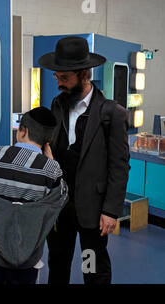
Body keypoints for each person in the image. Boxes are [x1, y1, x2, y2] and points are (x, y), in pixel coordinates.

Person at [38, 36, 130, 284]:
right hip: (60, 207)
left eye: (65, 78)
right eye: (57, 77)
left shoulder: (112, 113)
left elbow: (119, 166)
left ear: (84, 75)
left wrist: (111, 211)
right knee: (57, 264)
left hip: (93, 210)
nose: (59, 83)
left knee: (93, 268)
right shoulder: (57, 105)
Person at [0, 106, 68, 284]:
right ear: (47, 141)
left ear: (22, 131)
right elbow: (61, 196)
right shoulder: (51, 169)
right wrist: (51, 161)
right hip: (27, 257)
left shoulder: (1, 154)